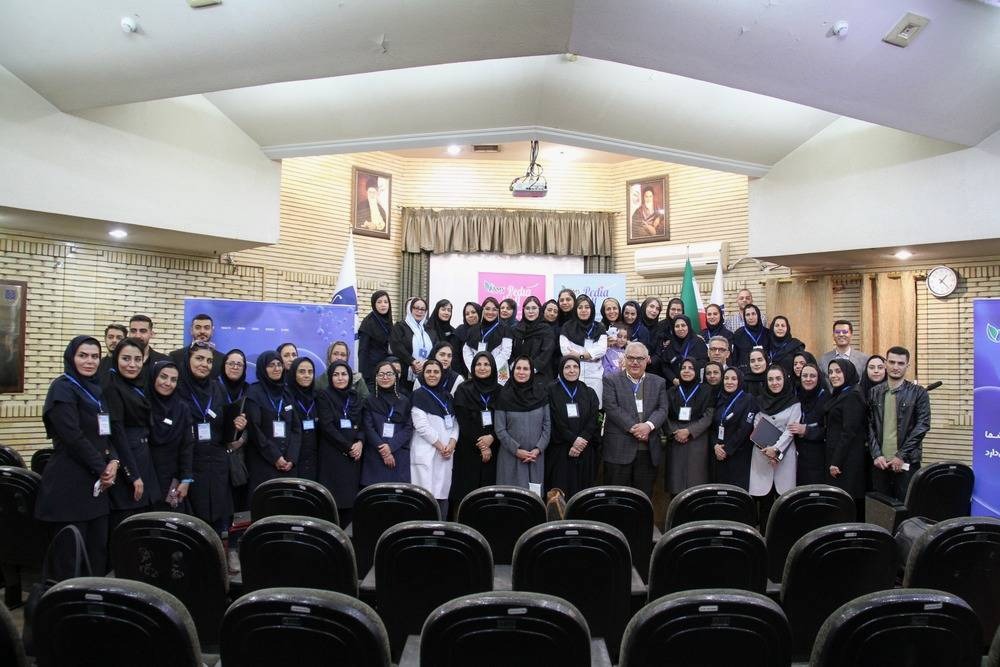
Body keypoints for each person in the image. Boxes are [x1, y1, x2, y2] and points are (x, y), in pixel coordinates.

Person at [36, 336, 119, 573]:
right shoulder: (62, 388)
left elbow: (106, 433)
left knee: (97, 554)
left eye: (95, 356)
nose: (89, 361)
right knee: (70, 559)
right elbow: (72, 437)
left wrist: (114, 460)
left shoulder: (96, 389)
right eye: (83, 355)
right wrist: (102, 468)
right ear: (71, 357)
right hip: (69, 483)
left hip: (97, 488)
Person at [177, 340, 246, 573]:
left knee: (218, 516)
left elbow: (225, 430)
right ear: (188, 360)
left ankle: (215, 565)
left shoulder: (217, 388)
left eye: (208, 360)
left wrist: (237, 427)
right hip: (190, 460)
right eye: (199, 359)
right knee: (194, 519)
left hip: (217, 461)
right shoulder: (179, 386)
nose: (204, 364)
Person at [601, 342, 669, 499]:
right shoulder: (611, 379)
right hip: (618, 450)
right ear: (624, 359)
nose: (635, 362)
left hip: (647, 450)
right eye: (630, 358)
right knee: (616, 498)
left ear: (647, 360)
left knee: (642, 498)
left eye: (640, 358)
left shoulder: (659, 382)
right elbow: (611, 407)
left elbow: (663, 409)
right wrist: (636, 428)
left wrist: (648, 426)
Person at [102, 338, 155, 526]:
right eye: (126, 359)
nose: (132, 365)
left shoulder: (137, 384)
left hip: (142, 456)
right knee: (127, 524)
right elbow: (118, 435)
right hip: (127, 463)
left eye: (137, 359)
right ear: (116, 359)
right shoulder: (111, 386)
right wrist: (133, 475)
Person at [868, 346, 930, 500]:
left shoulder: (918, 392)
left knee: (905, 507)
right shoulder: (874, 392)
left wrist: (901, 456)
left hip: (906, 462)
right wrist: (876, 455)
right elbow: (869, 426)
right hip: (880, 463)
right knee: (881, 509)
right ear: (886, 364)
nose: (895, 367)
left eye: (901, 363)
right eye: (892, 362)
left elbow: (922, 425)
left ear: (907, 366)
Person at [749, 365, 801, 528]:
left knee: (783, 503)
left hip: (784, 456)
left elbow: (790, 430)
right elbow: (757, 426)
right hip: (762, 455)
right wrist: (768, 451)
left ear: (784, 380)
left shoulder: (794, 402)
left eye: (778, 378)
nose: (774, 382)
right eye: (770, 379)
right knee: (764, 504)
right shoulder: (758, 401)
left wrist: (776, 451)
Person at [449, 352, 501, 512]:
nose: (482, 368)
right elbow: (463, 420)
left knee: (489, 497)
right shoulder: (463, 389)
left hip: (494, 448)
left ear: (493, 367)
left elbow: (505, 420)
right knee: (466, 495)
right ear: (472, 367)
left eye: (486, 364)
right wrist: (482, 445)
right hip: (468, 448)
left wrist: (492, 437)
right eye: (478, 364)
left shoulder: (501, 391)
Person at [245, 350, 301, 492]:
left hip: (288, 465)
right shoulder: (254, 392)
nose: (276, 369)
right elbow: (254, 429)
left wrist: (291, 458)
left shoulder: (286, 393)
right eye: (271, 365)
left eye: (279, 364)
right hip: (263, 463)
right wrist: (275, 457)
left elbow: (296, 428)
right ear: (263, 368)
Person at [316, 360, 363, 527]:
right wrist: (349, 446)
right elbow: (327, 426)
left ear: (349, 376)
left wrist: (360, 442)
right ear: (330, 377)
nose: (340, 378)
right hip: (333, 456)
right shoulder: (324, 395)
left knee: (350, 503)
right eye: (336, 375)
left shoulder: (355, 396)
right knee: (332, 504)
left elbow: (362, 423)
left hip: (353, 458)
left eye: (344, 374)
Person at [408, 359, 459, 515]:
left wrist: (452, 443)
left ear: (442, 374)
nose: (432, 375)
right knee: (423, 501)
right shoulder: (418, 395)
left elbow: (455, 423)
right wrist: (441, 446)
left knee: (442, 499)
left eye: (436, 372)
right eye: (428, 371)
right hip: (427, 453)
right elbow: (421, 426)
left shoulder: (448, 397)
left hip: (445, 455)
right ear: (423, 374)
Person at [546, 355, 600, 499]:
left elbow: (594, 419)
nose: (572, 370)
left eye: (575, 366)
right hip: (560, 451)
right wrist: (573, 439)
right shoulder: (551, 390)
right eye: (567, 367)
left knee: (583, 495)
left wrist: (581, 440)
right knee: (560, 494)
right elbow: (553, 418)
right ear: (561, 369)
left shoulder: (589, 392)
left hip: (584, 450)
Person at [494, 356, 551, 493]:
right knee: (510, 498)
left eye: (526, 369)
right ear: (512, 371)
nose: (521, 372)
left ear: (531, 372)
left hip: (535, 458)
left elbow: (547, 425)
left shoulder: (541, 395)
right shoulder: (503, 396)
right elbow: (500, 429)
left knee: (533, 499)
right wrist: (517, 450)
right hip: (511, 457)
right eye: (518, 368)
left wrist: (538, 449)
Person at [147, 360, 194, 512]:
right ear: (154, 376)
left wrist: (186, 479)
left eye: (173, 380)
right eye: (163, 377)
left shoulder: (182, 408)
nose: (168, 383)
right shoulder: (143, 404)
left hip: (171, 477)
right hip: (146, 475)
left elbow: (187, 445)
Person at [665, 358, 715, 497]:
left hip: (697, 438)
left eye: (691, 368)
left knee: (696, 484)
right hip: (675, 438)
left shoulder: (706, 390)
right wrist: (674, 432)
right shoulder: (671, 391)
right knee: (676, 483)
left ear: (697, 371)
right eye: (683, 368)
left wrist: (689, 431)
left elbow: (709, 416)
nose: (686, 371)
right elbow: (664, 414)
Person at [825, 359, 868, 518]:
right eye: (830, 372)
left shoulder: (853, 395)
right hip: (840, 456)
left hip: (847, 460)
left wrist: (836, 461)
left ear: (848, 372)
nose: (833, 375)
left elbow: (848, 432)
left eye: (838, 371)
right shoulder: (841, 392)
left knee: (847, 504)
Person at [361, 361, 413, 486]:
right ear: (376, 377)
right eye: (381, 374)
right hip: (375, 455)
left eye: (389, 374)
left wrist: (391, 447)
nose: (385, 377)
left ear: (396, 376)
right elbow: (368, 428)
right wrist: (383, 451)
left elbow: (408, 428)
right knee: (375, 494)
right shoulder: (369, 400)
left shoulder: (404, 401)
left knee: (397, 494)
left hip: (398, 454)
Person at [711, 367, 757, 491]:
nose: (729, 382)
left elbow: (745, 429)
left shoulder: (748, 399)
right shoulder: (720, 399)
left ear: (740, 381)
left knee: (736, 493)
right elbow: (713, 427)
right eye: (726, 378)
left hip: (738, 455)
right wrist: (715, 445)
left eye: (733, 379)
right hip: (718, 454)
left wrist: (726, 449)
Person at [559, 295, 608, 407]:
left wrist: (580, 356)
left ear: (592, 309)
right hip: (573, 375)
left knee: (594, 408)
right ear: (575, 310)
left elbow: (601, 349)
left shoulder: (599, 327)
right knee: (573, 408)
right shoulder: (567, 327)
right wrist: (590, 356)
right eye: (580, 307)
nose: (583, 310)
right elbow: (566, 351)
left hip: (594, 376)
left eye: (587, 307)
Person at [218, 349, 250, 513]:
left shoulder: (249, 390)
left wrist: (242, 440)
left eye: (239, 364)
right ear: (224, 365)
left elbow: (255, 422)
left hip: (241, 455)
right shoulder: (214, 387)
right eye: (231, 363)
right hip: (217, 452)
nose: (235, 367)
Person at [788, 362, 829, 485]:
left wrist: (806, 430)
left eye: (812, 376)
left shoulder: (826, 397)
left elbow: (829, 430)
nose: (808, 379)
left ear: (819, 378)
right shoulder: (794, 395)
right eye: (804, 376)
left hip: (817, 456)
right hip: (795, 453)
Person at [463, 297, 513, 385]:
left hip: (498, 371)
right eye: (487, 309)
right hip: (477, 372)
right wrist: (475, 367)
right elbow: (467, 352)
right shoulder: (473, 329)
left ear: (498, 311)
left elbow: (506, 352)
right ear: (482, 310)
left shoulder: (505, 329)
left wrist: (491, 368)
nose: (490, 312)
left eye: (494, 309)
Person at [390, 297, 436, 384]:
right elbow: (396, 346)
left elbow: (435, 349)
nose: (419, 311)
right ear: (410, 309)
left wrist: (426, 363)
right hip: (404, 374)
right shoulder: (400, 327)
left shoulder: (429, 330)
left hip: (426, 374)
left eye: (423, 309)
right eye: (416, 308)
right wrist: (412, 361)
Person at [512, 295, 557, 381]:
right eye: (527, 308)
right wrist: (514, 366)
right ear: (523, 310)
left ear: (539, 310)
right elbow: (512, 352)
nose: (530, 311)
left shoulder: (546, 329)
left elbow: (546, 353)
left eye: (534, 308)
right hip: (518, 374)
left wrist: (531, 369)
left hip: (540, 376)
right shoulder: (517, 329)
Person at [288, 357, 319, 481]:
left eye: (310, 372)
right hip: (292, 458)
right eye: (302, 372)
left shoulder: (317, 396)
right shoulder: (286, 396)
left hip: (314, 458)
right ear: (293, 373)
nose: (307, 375)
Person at [654, 315, 707, 386]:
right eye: (677, 326)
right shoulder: (670, 344)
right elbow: (665, 365)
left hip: (695, 384)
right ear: (673, 328)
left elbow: (704, 361)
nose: (680, 328)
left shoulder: (698, 342)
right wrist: (673, 379)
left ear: (688, 326)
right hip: (675, 385)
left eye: (683, 325)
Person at [357, 290, 393, 387]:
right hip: (371, 370)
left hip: (386, 367)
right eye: (379, 302)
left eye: (386, 302)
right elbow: (363, 350)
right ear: (374, 304)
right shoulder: (368, 322)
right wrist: (363, 374)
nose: (383, 305)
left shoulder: (388, 320)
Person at [732, 304, 769, 371]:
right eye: (747, 315)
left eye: (753, 314)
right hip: (745, 372)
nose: (751, 317)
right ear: (744, 317)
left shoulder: (767, 333)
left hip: (765, 371)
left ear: (758, 315)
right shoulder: (738, 333)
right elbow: (735, 357)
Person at [451, 301, 481, 378]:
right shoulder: (460, 331)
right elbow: (454, 356)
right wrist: (460, 376)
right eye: (467, 314)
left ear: (479, 313)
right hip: (465, 375)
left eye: (473, 312)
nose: (470, 315)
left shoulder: (485, 330)